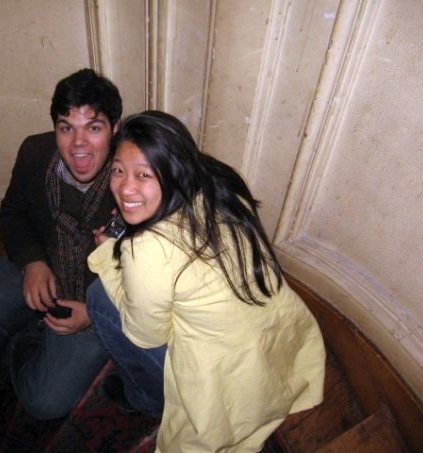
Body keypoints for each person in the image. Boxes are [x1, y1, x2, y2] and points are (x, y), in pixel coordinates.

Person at [87, 111, 326, 452]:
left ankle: (145, 399)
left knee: (99, 297)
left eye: (143, 174)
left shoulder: (148, 250)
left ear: (173, 172)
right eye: (118, 170)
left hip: (222, 385)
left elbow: (146, 335)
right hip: (278, 348)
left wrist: (110, 257)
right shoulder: (219, 182)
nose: (125, 188)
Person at [0, 68, 122, 420]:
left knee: (44, 402)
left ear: (115, 129)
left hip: (94, 298)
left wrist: (94, 314)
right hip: (43, 261)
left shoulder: (136, 183)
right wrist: (32, 262)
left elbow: (149, 284)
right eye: (66, 128)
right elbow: (13, 212)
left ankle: (23, 343)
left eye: (93, 128)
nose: (78, 144)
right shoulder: (34, 152)